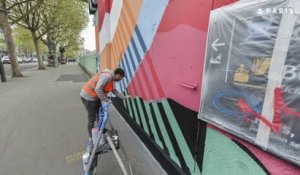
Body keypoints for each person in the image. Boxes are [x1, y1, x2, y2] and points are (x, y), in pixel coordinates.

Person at [80, 68, 131, 151]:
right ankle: (91, 138)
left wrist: (124, 97)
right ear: (118, 75)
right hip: (88, 97)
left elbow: (114, 91)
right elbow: (98, 89)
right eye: (121, 77)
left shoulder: (111, 79)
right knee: (91, 118)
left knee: (100, 114)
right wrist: (107, 100)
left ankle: (100, 130)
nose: (121, 79)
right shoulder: (107, 77)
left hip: (95, 97)